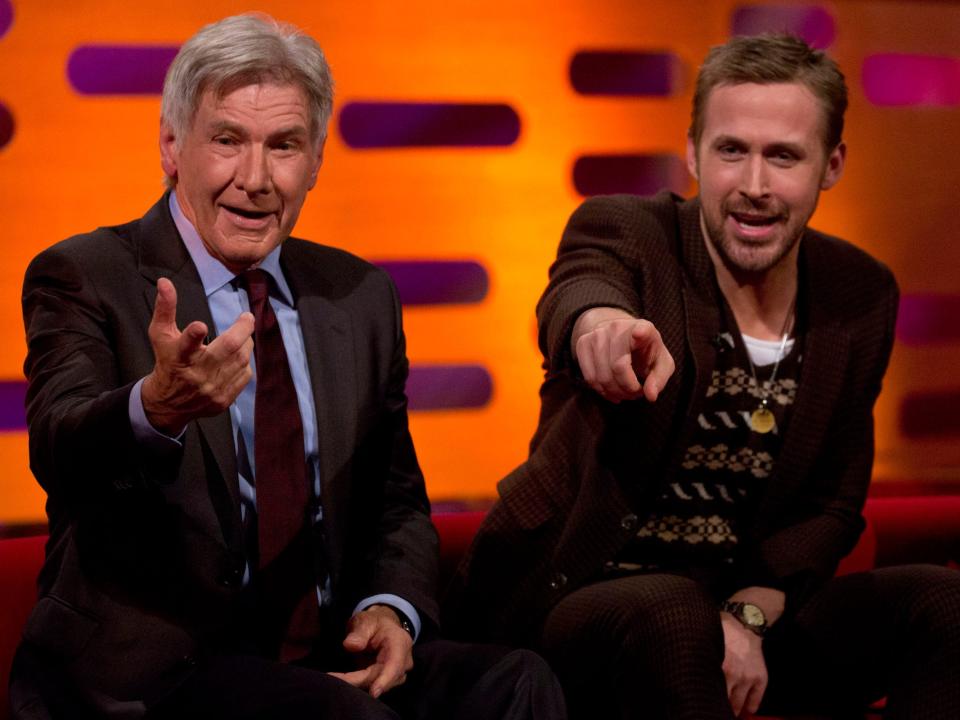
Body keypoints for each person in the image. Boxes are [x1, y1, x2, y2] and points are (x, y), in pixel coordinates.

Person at [9, 13, 564, 720]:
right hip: (157, 676)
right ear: (172, 146)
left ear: (317, 160)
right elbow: (61, 446)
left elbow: (395, 500)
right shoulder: (85, 275)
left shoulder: (359, 296)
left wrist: (392, 610)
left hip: (320, 656)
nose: (256, 179)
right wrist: (158, 407)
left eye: (284, 146)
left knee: (517, 683)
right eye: (227, 141)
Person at [445, 34, 960, 719]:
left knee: (946, 607)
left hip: (745, 616)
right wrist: (598, 329)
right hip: (576, 605)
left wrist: (747, 618)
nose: (753, 186)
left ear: (830, 165)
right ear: (692, 153)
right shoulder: (633, 233)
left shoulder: (860, 293)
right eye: (730, 150)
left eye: (783, 156)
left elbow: (831, 505)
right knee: (672, 612)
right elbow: (582, 288)